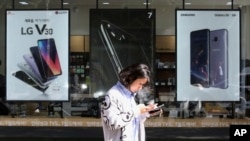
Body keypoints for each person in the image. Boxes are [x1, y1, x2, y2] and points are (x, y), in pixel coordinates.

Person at [100, 63, 160, 141]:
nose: (140, 87)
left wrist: (146, 112)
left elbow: (132, 121)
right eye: (140, 84)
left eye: (143, 85)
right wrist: (137, 110)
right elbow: (112, 123)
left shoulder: (130, 96)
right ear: (131, 78)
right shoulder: (112, 95)